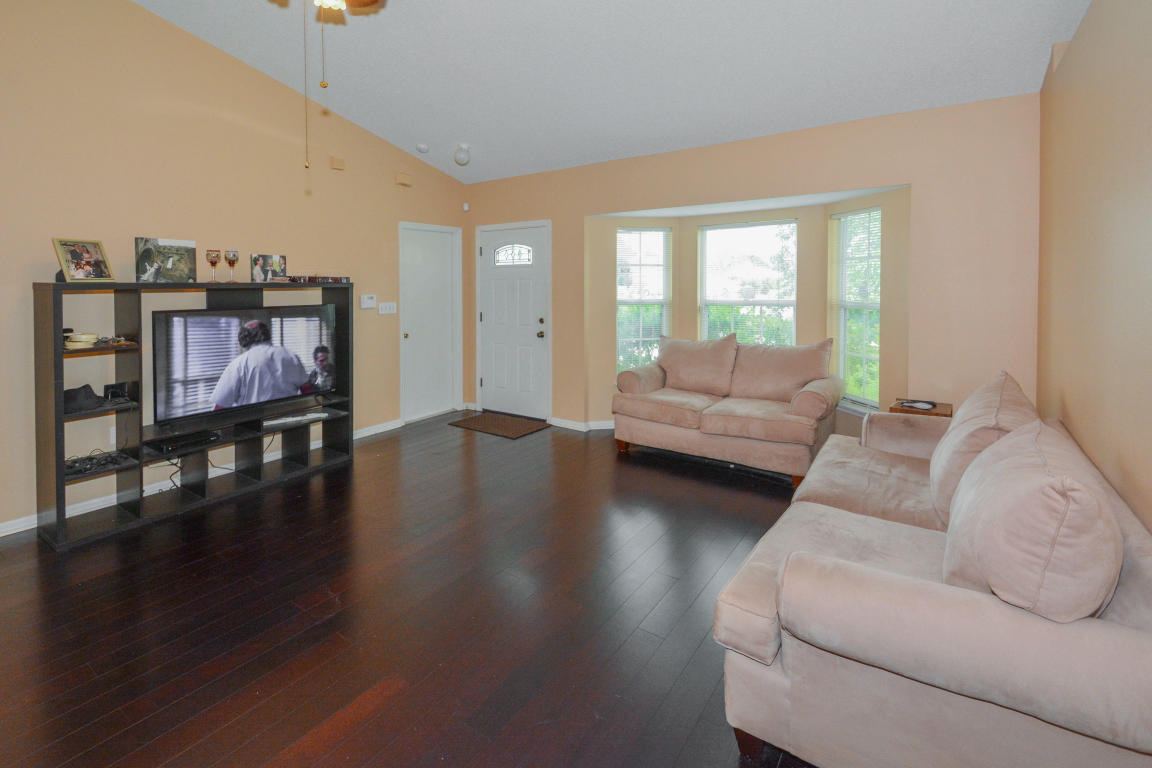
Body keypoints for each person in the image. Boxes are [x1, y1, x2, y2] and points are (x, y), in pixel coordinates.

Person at [210, 320, 308, 408]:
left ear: (244, 338)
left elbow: (220, 405)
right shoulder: (290, 356)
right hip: (288, 418)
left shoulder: (238, 364)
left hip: (254, 420)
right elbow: (307, 390)